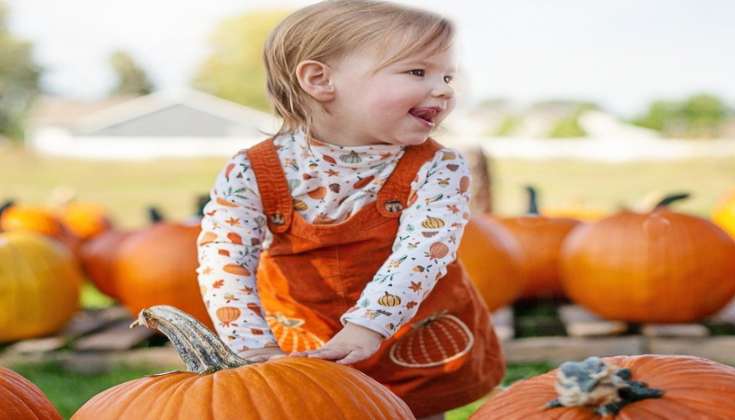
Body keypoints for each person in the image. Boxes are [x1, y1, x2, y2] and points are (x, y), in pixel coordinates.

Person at [196, 1, 504, 417]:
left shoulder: (438, 167)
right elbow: (224, 259)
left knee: (415, 412)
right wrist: (253, 349)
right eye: (418, 72)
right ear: (320, 80)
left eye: (447, 75)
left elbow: (423, 253)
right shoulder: (252, 171)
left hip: (408, 338)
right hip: (302, 342)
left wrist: (368, 326)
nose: (446, 89)